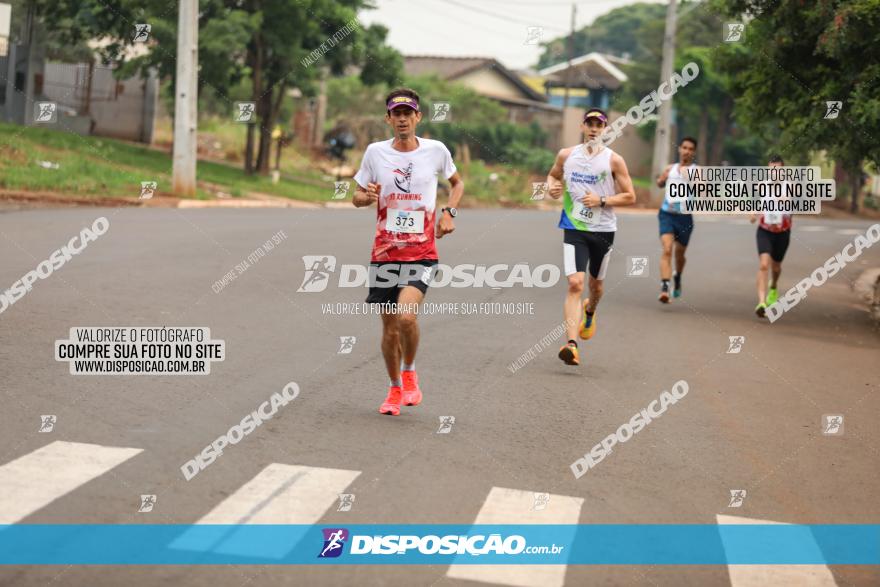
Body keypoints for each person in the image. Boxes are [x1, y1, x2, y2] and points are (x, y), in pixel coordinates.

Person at [352, 88, 464, 415]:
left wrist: (449, 213)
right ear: (388, 118)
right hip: (385, 253)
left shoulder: (436, 151)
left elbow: (457, 184)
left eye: (408, 113)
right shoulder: (375, 153)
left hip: (422, 251)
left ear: (418, 117)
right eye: (395, 114)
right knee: (388, 329)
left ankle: (410, 371)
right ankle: (393, 389)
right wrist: (366, 197)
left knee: (406, 316)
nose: (402, 119)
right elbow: (356, 197)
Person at [547, 108, 637, 366]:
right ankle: (571, 345)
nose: (594, 128)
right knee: (575, 283)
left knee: (595, 286)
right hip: (574, 226)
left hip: (604, 230)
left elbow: (630, 196)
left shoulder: (614, 160)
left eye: (599, 124)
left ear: (606, 129)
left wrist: (602, 200)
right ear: (583, 126)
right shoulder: (566, 155)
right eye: (590, 123)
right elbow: (553, 175)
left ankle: (591, 310)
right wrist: (552, 185)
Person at [656, 138, 698, 303]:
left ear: (693, 152)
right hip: (667, 214)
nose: (687, 151)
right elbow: (659, 183)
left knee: (680, 255)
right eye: (684, 147)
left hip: (685, 217)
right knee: (667, 249)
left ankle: (678, 276)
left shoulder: (697, 170)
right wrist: (662, 178)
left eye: (690, 149)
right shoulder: (670, 168)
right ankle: (665, 287)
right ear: (680, 149)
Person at [751, 155, 792, 317]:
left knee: (776, 267)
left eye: (778, 169)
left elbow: (788, 200)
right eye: (771, 169)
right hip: (764, 231)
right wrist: (754, 213)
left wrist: (782, 200)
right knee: (763, 264)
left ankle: (773, 285)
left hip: (782, 233)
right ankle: (761, 302)